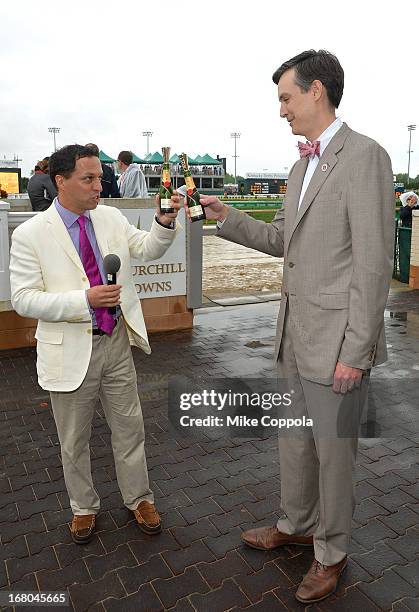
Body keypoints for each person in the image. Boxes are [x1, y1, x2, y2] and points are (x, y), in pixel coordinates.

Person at [182, 50, 394, 604]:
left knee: (334, 453)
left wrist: (357, 351)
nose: (281, 110)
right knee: (295, 443)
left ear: (316, 91)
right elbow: (283, 244)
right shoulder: (301, 167)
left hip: (338, 344)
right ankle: (296, 525)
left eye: (285, 97)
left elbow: (372, 265)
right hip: (293, 337)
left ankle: (332, 552)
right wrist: (224, 217)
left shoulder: (365, 156)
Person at [10, 144, 180, 545]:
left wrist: (163, 222)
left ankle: (139, 498)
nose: (97, 187)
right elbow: (23, 299)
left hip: (116, 343)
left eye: (99, 178)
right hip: (70, 350)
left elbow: (148, 249)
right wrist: (83, 300)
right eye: (87, 179)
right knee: (74, 439)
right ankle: (83, 508)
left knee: (129, 428)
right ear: (61, 181)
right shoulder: (31, 234)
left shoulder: (110, 217)